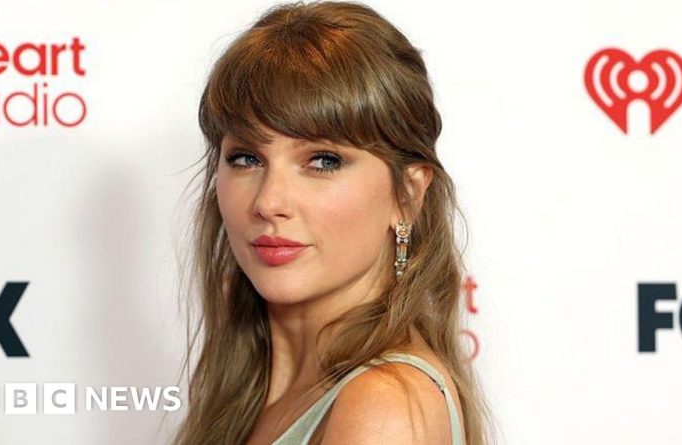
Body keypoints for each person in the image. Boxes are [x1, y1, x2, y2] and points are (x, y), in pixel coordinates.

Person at [173, 2, 494, 444]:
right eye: (246, 158)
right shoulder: (252, 393)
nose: (268, 201)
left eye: (323, 161)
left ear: (408, 194)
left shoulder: (384, 406)